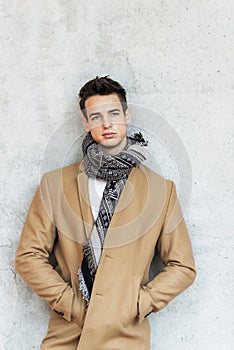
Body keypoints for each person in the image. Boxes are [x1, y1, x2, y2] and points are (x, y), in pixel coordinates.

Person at [15, 76, 196, 350]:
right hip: (69, 336)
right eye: (96, 116)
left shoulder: (161, 190)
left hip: (126, 338)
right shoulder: (55, 184)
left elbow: (183, 267)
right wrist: (71, 303)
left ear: (127, 115)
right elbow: (29, 256)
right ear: (86, 123)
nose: (107, 123)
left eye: (113, 113)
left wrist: (138, 303)